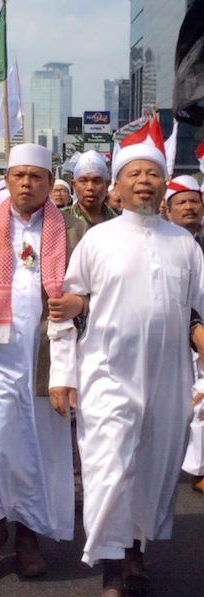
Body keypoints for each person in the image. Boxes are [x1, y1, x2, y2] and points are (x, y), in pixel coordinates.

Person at [48, 144, 204, 597]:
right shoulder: (98, 240)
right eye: (133, 173)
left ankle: (135, 547)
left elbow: (197, 312)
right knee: (109, 468)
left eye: (152, 174)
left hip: (168, 379)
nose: (143, 181)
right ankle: (111, 567)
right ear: (117, 187)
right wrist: (63, 375)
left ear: (163, 184)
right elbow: (65, 309)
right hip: (108, 375)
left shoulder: (186, 245)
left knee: (155, 468)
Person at [0, 143, 87, 583]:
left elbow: (90, 292)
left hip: (47, 362)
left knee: (39, 453)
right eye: (19, 176)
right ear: (6, 181)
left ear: (50, 183)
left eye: (37, 176)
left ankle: (29, 535)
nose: (27, 183)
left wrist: (78, 304)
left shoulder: (71, 231)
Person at [165, 175, 204, 495]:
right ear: (168, 209)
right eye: (182, 202)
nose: (189, 207)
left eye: (195, 201)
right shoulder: (164, 245)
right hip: (176, 339)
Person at [64, 150, 117, 227]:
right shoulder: (60, 220)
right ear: (74, 185)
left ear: (107, 185)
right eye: (83, 181)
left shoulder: (118, 221)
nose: (90, 188)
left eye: (97, 181)